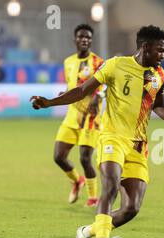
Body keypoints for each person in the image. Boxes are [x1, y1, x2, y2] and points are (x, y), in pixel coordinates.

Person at [31, 25, 164, 238]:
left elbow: (158, 105)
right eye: (160, 50)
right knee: (109, 186)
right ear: (145, 47)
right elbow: (82, 90)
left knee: (131, 208)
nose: (163, 55)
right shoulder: (115, 65)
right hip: (111, 137)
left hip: (138, 146)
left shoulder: (158, 74)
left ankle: (87, 231)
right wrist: (50, 102)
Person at [54, 24, 104, 207]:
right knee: (59, 157)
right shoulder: (68, 62)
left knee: (84, 158)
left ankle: (93, 197)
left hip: (90, 119)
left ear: (91, 40)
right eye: (82, 37)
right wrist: (64, 94)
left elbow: (104, 87)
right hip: (71, 116)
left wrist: (96, 97)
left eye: (88, 37)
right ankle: (77, 180)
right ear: (75, 39)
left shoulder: (98, 62)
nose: (85, 40)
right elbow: (71, 86)